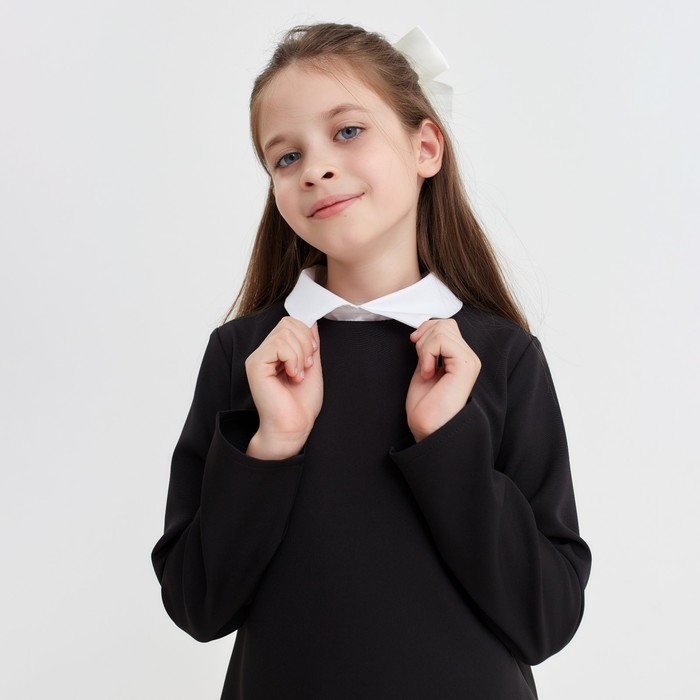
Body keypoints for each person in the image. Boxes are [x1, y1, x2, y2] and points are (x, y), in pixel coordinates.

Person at [151, 22, 591, 700]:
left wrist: (447, 444)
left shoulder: (500, 355)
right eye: (286, 157)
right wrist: (272, 447)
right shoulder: (246, 356)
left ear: (425, 147)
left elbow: (547, 619)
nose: (315, 168)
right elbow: (198, 606)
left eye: (348, 131)